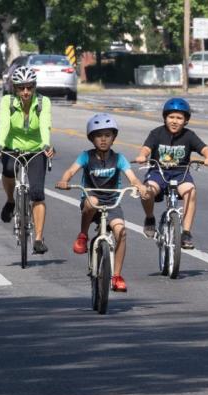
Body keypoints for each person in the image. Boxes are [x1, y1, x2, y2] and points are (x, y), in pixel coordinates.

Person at [56, 114, 148, 292]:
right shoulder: (86, 156)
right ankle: (83, 235)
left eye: (108, 135)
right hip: (91, 201)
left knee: (121, 231)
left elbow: (132, 177)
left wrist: (139, 186)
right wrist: (64, 180)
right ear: (91, 138)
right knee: (93, 200)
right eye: (99, 135)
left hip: (112, 203)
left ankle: (116, 276)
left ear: (114, 137)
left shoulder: (119, 158)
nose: (103, 139)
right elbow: (70, 170)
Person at [134, 98, 208, 250]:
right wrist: (142, 156)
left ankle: (186, 233)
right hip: (158, 172)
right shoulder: (156, 133)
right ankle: (150, 218)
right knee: (146, 191)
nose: (174, 121)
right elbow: (146, 148)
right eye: (171, 117)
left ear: (185, 120)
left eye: (179, 118)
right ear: (165, 117)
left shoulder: (189, 135)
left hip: (180, 174)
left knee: (191, 191)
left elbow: (205, 149)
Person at [0, 66, 55, 254]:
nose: (26, 92)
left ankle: (38, 238)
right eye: (21, 88)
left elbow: (45, 123)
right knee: (7, 169)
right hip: (12, 148)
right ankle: (10, 200)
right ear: (15, 88)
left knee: (37, 192)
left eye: (29, 87)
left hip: (36, 150)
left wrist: (46, 145)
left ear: (34, 86)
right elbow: (4, 124)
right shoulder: (7, 101)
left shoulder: (43, 102)